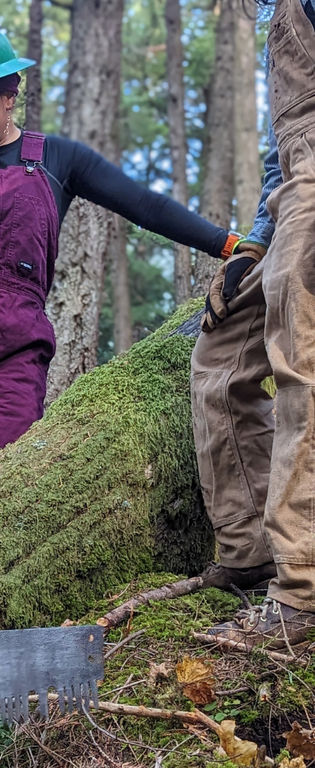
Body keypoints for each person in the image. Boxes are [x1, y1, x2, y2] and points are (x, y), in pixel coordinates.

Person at [0, 19, 240, 520]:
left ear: (10, 92)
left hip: (9, 352)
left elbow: (143, 204)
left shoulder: (58, 159)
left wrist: (229, 243)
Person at [192, 0, 315, 648]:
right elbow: (282, 151)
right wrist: (256, 245)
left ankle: (302, 595)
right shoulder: (286, 12)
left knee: (303, 369)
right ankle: (251, 554)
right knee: (220, 352)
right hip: (293, 195)